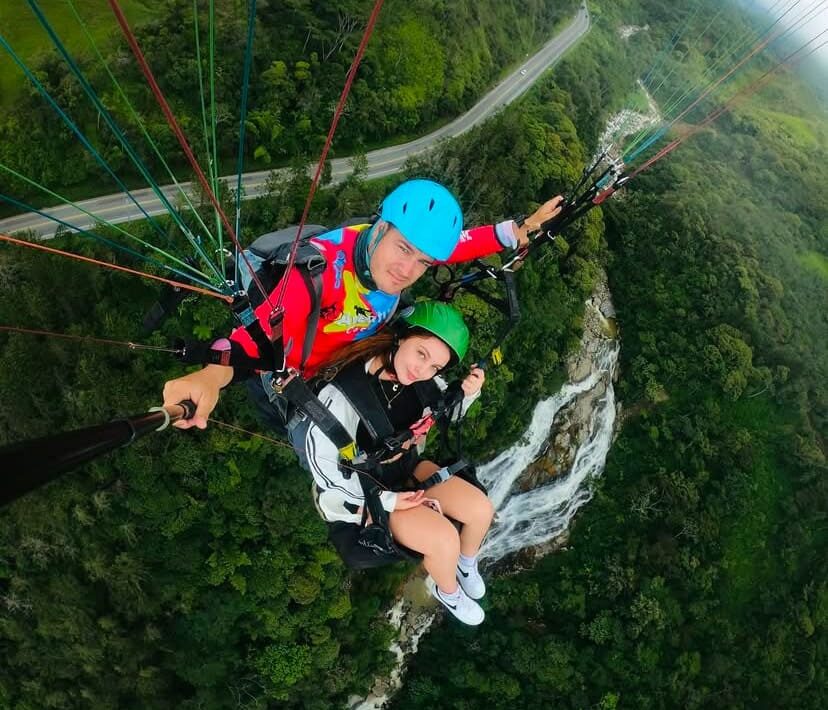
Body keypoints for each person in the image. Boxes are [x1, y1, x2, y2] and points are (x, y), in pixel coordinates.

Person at [162, 179, 563, 430]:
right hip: (289, 377)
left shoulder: (396, 246)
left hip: (343, 357)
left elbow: (456, 246)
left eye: (423, 261)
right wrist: (207, 379)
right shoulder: (314, 276)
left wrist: (519, 230)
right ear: (381, 228)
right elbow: (251, 341)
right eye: (404, 249)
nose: (408, 270)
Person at [292, 301, 494, 625]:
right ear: (401, 337)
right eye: (421, 354)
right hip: (365, 493)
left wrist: (466, 394)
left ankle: (466, 564)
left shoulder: (424, 385)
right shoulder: (343, 396)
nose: (422, 370)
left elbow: (440, 417)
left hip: (404, 468)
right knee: (444, 540)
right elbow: (325, 469)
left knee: (481, 510)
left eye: (434, 368)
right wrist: (389, 501)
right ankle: (449, 590)